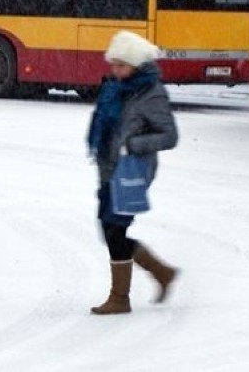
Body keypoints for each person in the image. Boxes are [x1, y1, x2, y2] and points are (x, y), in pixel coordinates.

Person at [86, 30, 179, 315]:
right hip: (108, 167)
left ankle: (120, 298)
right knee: (109, 229)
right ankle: (161, 272)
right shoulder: (114, 87)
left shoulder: (151, 93)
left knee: (115, 229)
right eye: (113, 64)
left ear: (137, 65)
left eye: (121, 65)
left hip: (132, 171)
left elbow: (170, 136)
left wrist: (134, 144)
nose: (115, 70)